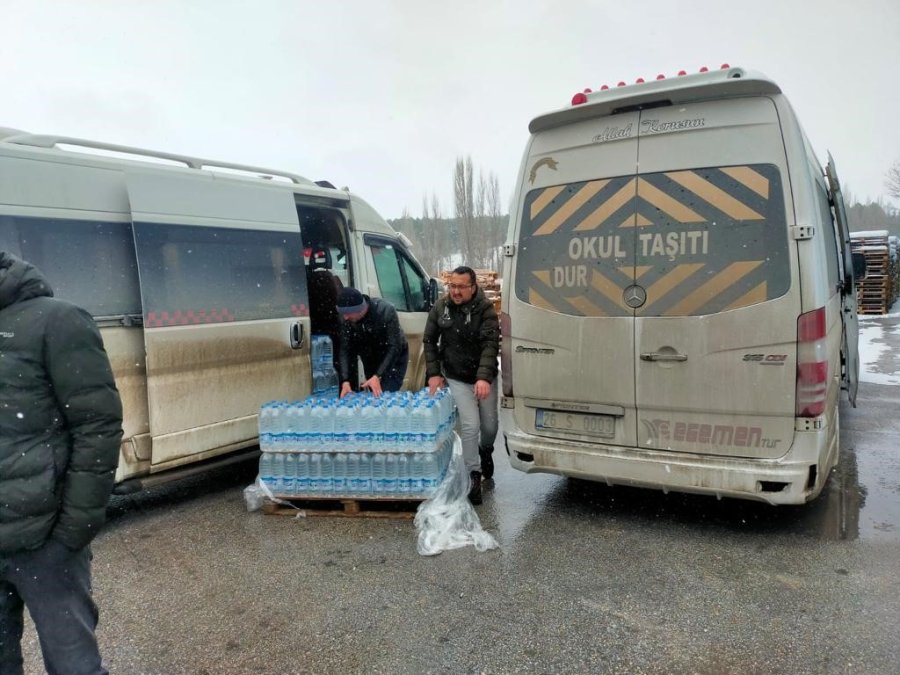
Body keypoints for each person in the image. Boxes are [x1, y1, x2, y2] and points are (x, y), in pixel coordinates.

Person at [0, 251, 123, 675]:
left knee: (75, 667)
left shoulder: (58, 321)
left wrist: (71, 532)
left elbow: (97, 427)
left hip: (44, 541)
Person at [423, 265, 500, 505]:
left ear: (473, 287)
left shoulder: (485, 309)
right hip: (457, 375)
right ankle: (473, 474)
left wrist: (483, 377)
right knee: (470, 425)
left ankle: (486, 450)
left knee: (489, 427)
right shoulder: (441, 307)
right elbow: (429, 340)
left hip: (483, 376)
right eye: (452, 286)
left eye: (461, 287)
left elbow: (490, 344)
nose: (455, 291)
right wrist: (434, 373)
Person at [336, 287, 409, 398]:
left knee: (385, 393)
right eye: (342, 313)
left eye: (347, 313)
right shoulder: (348, 319)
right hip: (369, 355)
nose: (345, 317)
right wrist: (345, 380)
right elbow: (345, 349)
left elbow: (394, 346)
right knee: (373, 394)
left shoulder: (385, 311)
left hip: (393, 356)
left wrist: (378, 375)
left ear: (359, 309)